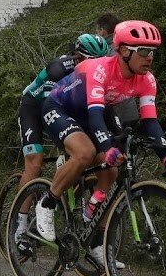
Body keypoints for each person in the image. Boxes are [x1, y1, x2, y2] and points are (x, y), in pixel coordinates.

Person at [35, 20, 166, 268]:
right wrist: (107, 147)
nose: (149, 58)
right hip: (61, 107)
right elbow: (95, 116)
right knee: (85, 153)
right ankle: (48, 201)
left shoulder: (147, 79)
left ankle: (96, 241)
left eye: (153, 52)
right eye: (144, 52)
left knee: (113, 170)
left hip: (93, 112)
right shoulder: (100, 70)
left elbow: (151, 122)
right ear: (124, 51)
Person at [12, 33, 111, 254]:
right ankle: (19, 226)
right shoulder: (59, 68)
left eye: (102, 61)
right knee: (35, 163)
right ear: (77, 57)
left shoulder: (98, 75)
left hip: (66, 109)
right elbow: (51, 107)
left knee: (91, 157)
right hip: (35, 108)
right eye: (91, 60)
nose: (97, 66)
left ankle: (81, 223)